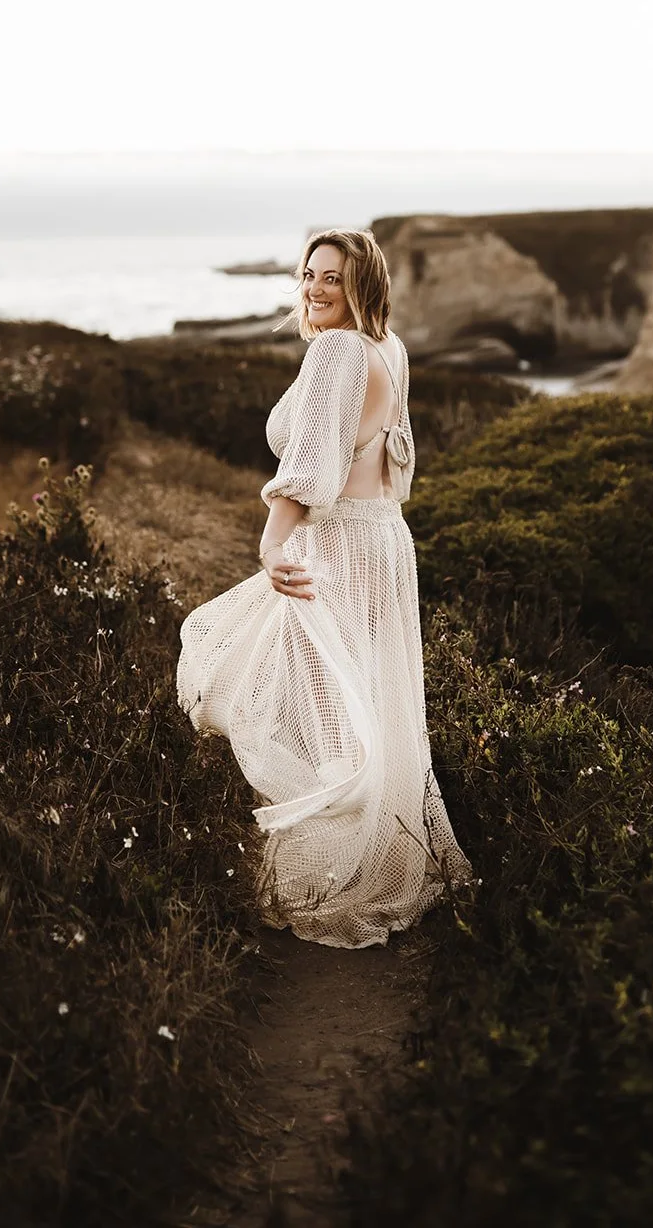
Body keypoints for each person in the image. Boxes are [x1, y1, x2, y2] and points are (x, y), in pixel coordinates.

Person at [176, 228, 472, 948]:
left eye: (331, 278)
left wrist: (272, 542)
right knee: (362, 699)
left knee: (308, 702)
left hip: (336, 544)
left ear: (362, 283)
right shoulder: (388, 347)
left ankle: (331, 872)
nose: (313, 289)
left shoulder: (337, 351)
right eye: (308, 274)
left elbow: (312, 466)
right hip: (383, 540)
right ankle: (379, 854)